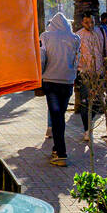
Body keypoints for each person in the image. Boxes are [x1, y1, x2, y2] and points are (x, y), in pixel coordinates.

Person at [39, 12, 80, 167]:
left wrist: (41, 75)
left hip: (51, 82)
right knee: (59, 116)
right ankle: (57, 149)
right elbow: (77, 60)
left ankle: (61, 153)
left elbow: (42, 58)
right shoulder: (75, 38)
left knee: (56, 117)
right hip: (68, 83)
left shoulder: (46, 37)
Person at [77, 13, 107, 139]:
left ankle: (90, 122)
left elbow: (106, 51)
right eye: (87, 22)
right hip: (85, 73)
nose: (90, 25)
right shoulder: (78, 35)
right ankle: (87, 129)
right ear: (82, 23)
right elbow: (75, 55)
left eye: (91, 22)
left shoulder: (101, 32)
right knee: (85, 102)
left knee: (97, 102)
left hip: (99, 72)